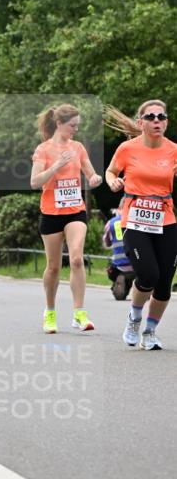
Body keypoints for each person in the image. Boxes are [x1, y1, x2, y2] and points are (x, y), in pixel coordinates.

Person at [105, 99, 177, 350]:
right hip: (135, 219)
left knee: (165, 282)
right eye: (151, 117)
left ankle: (150, 331)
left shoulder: (173, 150)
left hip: (166, 218)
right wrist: (113, 181)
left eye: (161, 116)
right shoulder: (127, 149)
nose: (157, 120)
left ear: (166, 122)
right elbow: (111, 171)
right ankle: (135, 318)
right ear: (141, 123)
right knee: (148, 274)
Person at [30, 104, 102, 333]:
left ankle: (79, 313)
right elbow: (34, 182)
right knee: (52, 267)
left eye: (77, 126)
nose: (75, 130)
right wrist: (57, 166)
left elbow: (90, 173)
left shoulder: (78, 147)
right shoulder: (43, 150)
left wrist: (94, 179)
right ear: (59, 124)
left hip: (75, 211)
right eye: (72, 125)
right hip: (51, 214)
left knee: (77, 259)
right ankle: (49, 312)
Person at [102, 209, 134, 300]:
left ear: (118, 209)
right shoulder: (135, 220)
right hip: (135, 267)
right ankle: (143, 288)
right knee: (143, 274)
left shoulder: (111, 223)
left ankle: (118, 280)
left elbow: (106, 243)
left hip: (116, 267)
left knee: (111, 270)